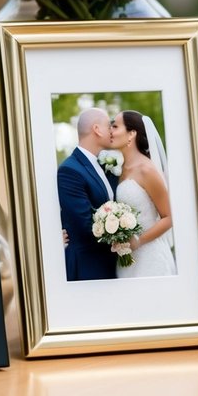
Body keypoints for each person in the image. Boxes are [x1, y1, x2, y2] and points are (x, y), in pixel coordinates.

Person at [109, 110, 177, 279]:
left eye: (115, 126)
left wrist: (137, 241)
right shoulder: (118, 168)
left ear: (131, 134)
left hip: (150, 259)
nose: (110, 130)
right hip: (126, 259)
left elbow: (169, 217)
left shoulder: (146, 170)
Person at [57, 107, 117, 281]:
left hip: (108, 264)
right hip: (88, 267)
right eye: (109, 126)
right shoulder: (70, 170)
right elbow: (85, 224)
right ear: (97, 129)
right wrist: (123, 235)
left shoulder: (103, 165)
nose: (112, 131)